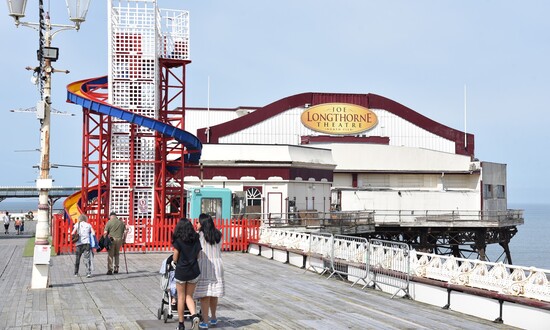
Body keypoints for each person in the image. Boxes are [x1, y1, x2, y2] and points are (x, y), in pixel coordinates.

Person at [194, 214, 225, 329]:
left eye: (198, 222)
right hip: (217, 264)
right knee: (214, 293)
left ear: (202, 224)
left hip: (205, 264)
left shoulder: (199, 236)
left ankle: (205, 321)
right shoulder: (218, 235)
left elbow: (197, 251)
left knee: (205, 294)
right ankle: (213, 317)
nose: (196, 224)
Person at [172, 219, 202, 330]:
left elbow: (175, 257)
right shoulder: (196, 239)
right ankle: (194, 315)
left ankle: (181, 325)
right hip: (193, 271)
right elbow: (198, 256)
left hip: (181, 271)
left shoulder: (178, 240)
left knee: (181, 297)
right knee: (189, 296)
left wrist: (175, 262)